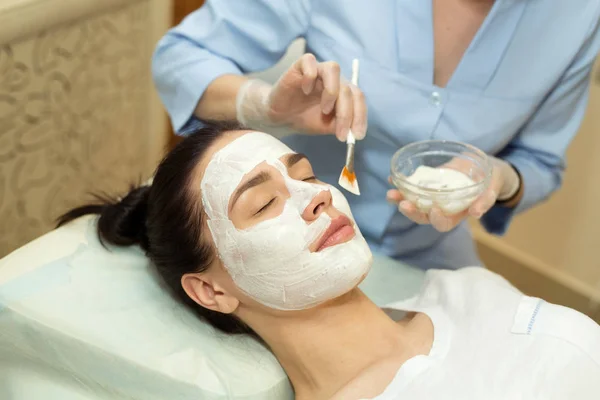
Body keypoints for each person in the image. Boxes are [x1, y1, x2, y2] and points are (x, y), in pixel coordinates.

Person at [58, 122, 600, 400]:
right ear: (212, 290)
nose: (314, 195)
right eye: (264, 202)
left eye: (307, 174)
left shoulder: (462, 288)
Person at [151, 0, 600, 270]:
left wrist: (498, 178)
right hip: (293, 231)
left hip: (428, 252)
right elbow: (181, 58)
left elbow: (540, 165)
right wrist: (265, 106)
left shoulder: (579, 16)